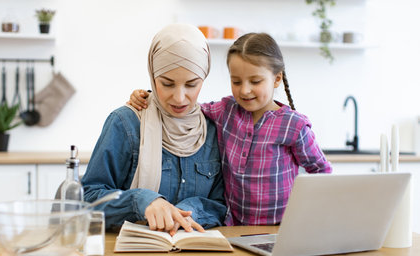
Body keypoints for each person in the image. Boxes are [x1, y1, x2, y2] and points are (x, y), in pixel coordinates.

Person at [128, 32, 332, 226]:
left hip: (281, 228)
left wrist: (310, 217)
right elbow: (188, 106)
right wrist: (149, 95)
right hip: (234, 228)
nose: (244, 90)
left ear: (277, 78)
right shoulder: (225, 110)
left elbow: (321, 172)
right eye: (236, 81)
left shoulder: (294, 125)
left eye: (255, 81)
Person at [82, 23, 226, 235]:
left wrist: (187, 212)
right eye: (167, 84)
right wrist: (141, 201)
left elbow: (220, 204)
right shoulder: (125, 123)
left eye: (191, 84)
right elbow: (86, 201)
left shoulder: (213, 129)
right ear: (152, 75)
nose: (179, 97)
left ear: (203, 78)